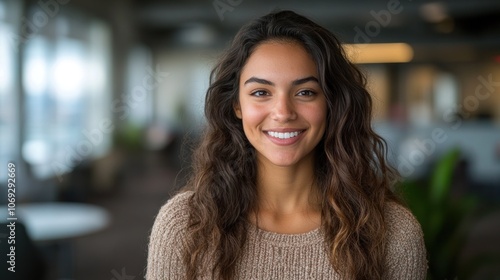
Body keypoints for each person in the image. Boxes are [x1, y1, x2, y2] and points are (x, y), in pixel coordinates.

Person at [146, 10, 427, 280]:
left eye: (305, 92)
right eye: (260, 92)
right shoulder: (184, 226)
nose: (283, 112)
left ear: (332, 104)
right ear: (236, 105)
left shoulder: (392, 233)